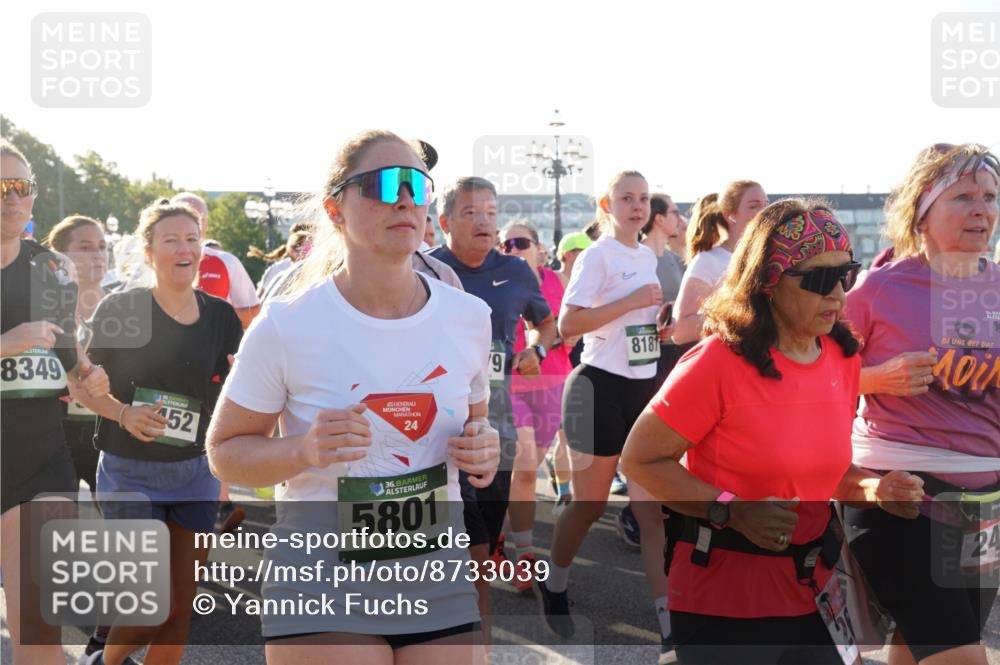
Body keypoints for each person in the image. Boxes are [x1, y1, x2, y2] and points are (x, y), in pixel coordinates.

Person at [206, 130, 500, 665]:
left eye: (416, 183)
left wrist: (484, 451)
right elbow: (224, 451)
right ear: (334, 209)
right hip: (320, 585)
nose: (405, 198)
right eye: (384, 184)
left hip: (437, 579)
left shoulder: (469, 319)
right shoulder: (289, 324)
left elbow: (475, 431)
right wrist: (303, 451)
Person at [621, 199, 925, 664]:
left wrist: (875, 487)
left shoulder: (841, 357)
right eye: (820, 279)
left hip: (814, 589)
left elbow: (826, 471)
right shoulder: (718, 363)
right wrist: (732, 512)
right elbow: (640, 460)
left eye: (846, 274)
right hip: (724, 597)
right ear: (769, 281)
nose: (838, 294)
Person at [844, 143, 1000, 665]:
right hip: (903, 496)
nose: (982, 210)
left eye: (991, 196)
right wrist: (876, 378)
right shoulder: (877, 291)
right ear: (922, 211)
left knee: (917, 648)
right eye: (963, 197)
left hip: (988, 505)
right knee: (960, 654)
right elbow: (808, 382)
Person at [74, 201, 243, 665]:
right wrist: (123, 413)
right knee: (150, 604)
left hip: (196, 472)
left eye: (192, 238)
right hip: (131, 471)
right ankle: (102, 662)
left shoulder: (221, 317)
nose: (184, 248)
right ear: (148, 252)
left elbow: (237, 389)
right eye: (171, 240)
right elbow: (81, 386)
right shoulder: (123, 308)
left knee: (179, 605)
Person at [537, 171, 675, 654]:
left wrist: (654, 327)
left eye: (642, 199)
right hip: (596, 387)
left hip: (641, 388)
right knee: (591, 505)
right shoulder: (597, 255)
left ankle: (667, 626)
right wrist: (631, 302)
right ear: (606, 204)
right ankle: (554, 584)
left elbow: (631, 325)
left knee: (650, 513)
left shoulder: (645, 254)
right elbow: (568, 325)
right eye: (626, 198)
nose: (637, 206)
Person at [429, 177, 557, 639]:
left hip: (493, 429)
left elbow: (546, 323)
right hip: (434, 434)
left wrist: (536, 352)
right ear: (444, 222)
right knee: (448, 556)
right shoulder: (424, 270)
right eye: (470, 212)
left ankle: (475, 646)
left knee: (479, 558)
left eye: (490, 211)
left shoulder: (518, 271)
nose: (484, 221)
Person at [1, 139, 110, 665]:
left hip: (39, 462)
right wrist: (6, 342)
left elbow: (67, 350)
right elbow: (23, 341)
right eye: (1, 187)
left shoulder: (50, 269)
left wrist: (91, 377)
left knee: (39, 636)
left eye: (22, 186)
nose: (12, 198)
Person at [170, 192, 260, 532]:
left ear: (206, 224)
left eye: (199, 216)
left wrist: (215, 317)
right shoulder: (150, 261)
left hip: (214, 365)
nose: (193, 220)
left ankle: (219, 503)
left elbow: (252, 309)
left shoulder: (225, 262)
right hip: (166, 369)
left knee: (214, 431)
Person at [497, 219, 574, 591]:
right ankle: (525, 553)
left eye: (520, 242)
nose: (511, 249)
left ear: (540, 249)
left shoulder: (557, 282)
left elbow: (564, 327)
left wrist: (558, 335)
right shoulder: (498, 280)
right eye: (505, 244)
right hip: (513, 384)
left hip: (554, 381)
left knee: (526, 472)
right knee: (526, 467)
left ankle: (497, 537)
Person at [46, 215, 111, 493]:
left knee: (121, 528)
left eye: (101, 246)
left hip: (108, 433)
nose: (97, 255)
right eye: (85, 248)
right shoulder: (38, 309)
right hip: (52, 433)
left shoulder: (125, 308)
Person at [672, 182, 768, 344]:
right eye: (753, 206)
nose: (763, 212)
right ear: (730, 215)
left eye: (766, 205)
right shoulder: (709, 261)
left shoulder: (770, 257)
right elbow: (680, 330)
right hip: (730, 360)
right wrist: (740, 315)